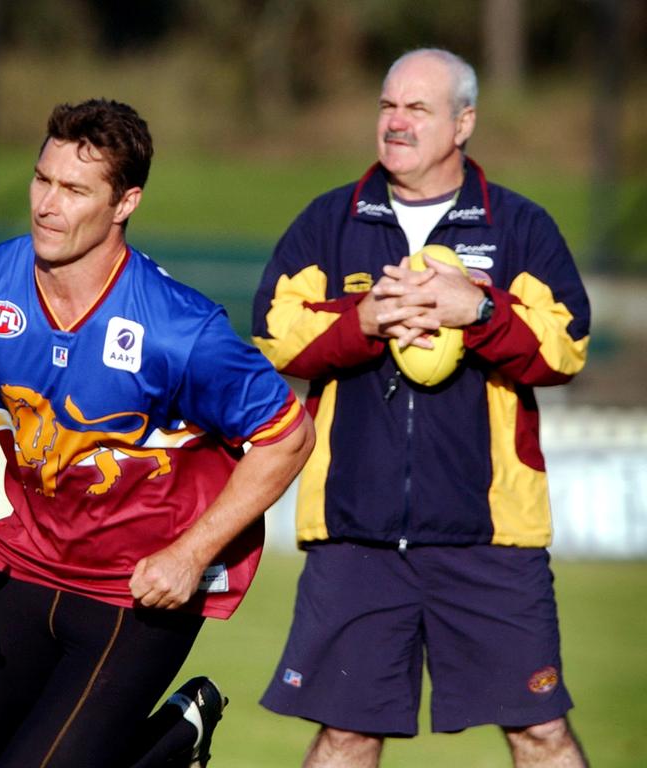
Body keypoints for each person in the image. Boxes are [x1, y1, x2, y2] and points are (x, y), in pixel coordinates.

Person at [0, 98, 314, 768]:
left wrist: (192, 555)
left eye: (75, 189)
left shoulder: (179, 328)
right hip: (21, 566)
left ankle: (169, 741)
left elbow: (289, 438)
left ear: (124, 202)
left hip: (134, 593)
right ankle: (175, 742)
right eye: (42, 179)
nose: (48, 204)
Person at [252, 48, 591, 767]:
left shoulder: (518, 227)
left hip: (490, 537)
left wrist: (481, 310)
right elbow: (274, 333)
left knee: (539, 731)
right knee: (346, 733)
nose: (396, 121)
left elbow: (567, 345)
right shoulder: (329, 220)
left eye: (417, 108)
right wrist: (363, 322)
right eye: (387, 106)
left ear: (464, 122)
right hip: (356, 533)